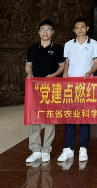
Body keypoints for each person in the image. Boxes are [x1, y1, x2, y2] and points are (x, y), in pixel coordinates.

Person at [57, 17, 97, 163]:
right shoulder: (69, 44)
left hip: (86, 86)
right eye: (77, 27)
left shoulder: (93, 43)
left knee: (84, 117)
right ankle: (68, 148)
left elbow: (96, 63)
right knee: (70, 116)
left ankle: (83, 148)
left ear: (87, 28)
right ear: (74, 30)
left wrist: (90, 72)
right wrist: (65, 73)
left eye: (82, 27)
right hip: (71, 87)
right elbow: (67, 63)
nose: (80, 29)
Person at [25, 20, 65, 163]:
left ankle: (46, 149)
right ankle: (35, 149)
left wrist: (53, 75)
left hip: (52, 87)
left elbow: (62, 66)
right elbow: (28, 65)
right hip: (35, 88)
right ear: (39, 32)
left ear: (52, 32)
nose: (45, 32)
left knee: (49, 118)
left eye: (48, 29)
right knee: (34, 118)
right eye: (42, 29)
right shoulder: (32, 49)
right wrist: (30, 74)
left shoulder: (59, 49)